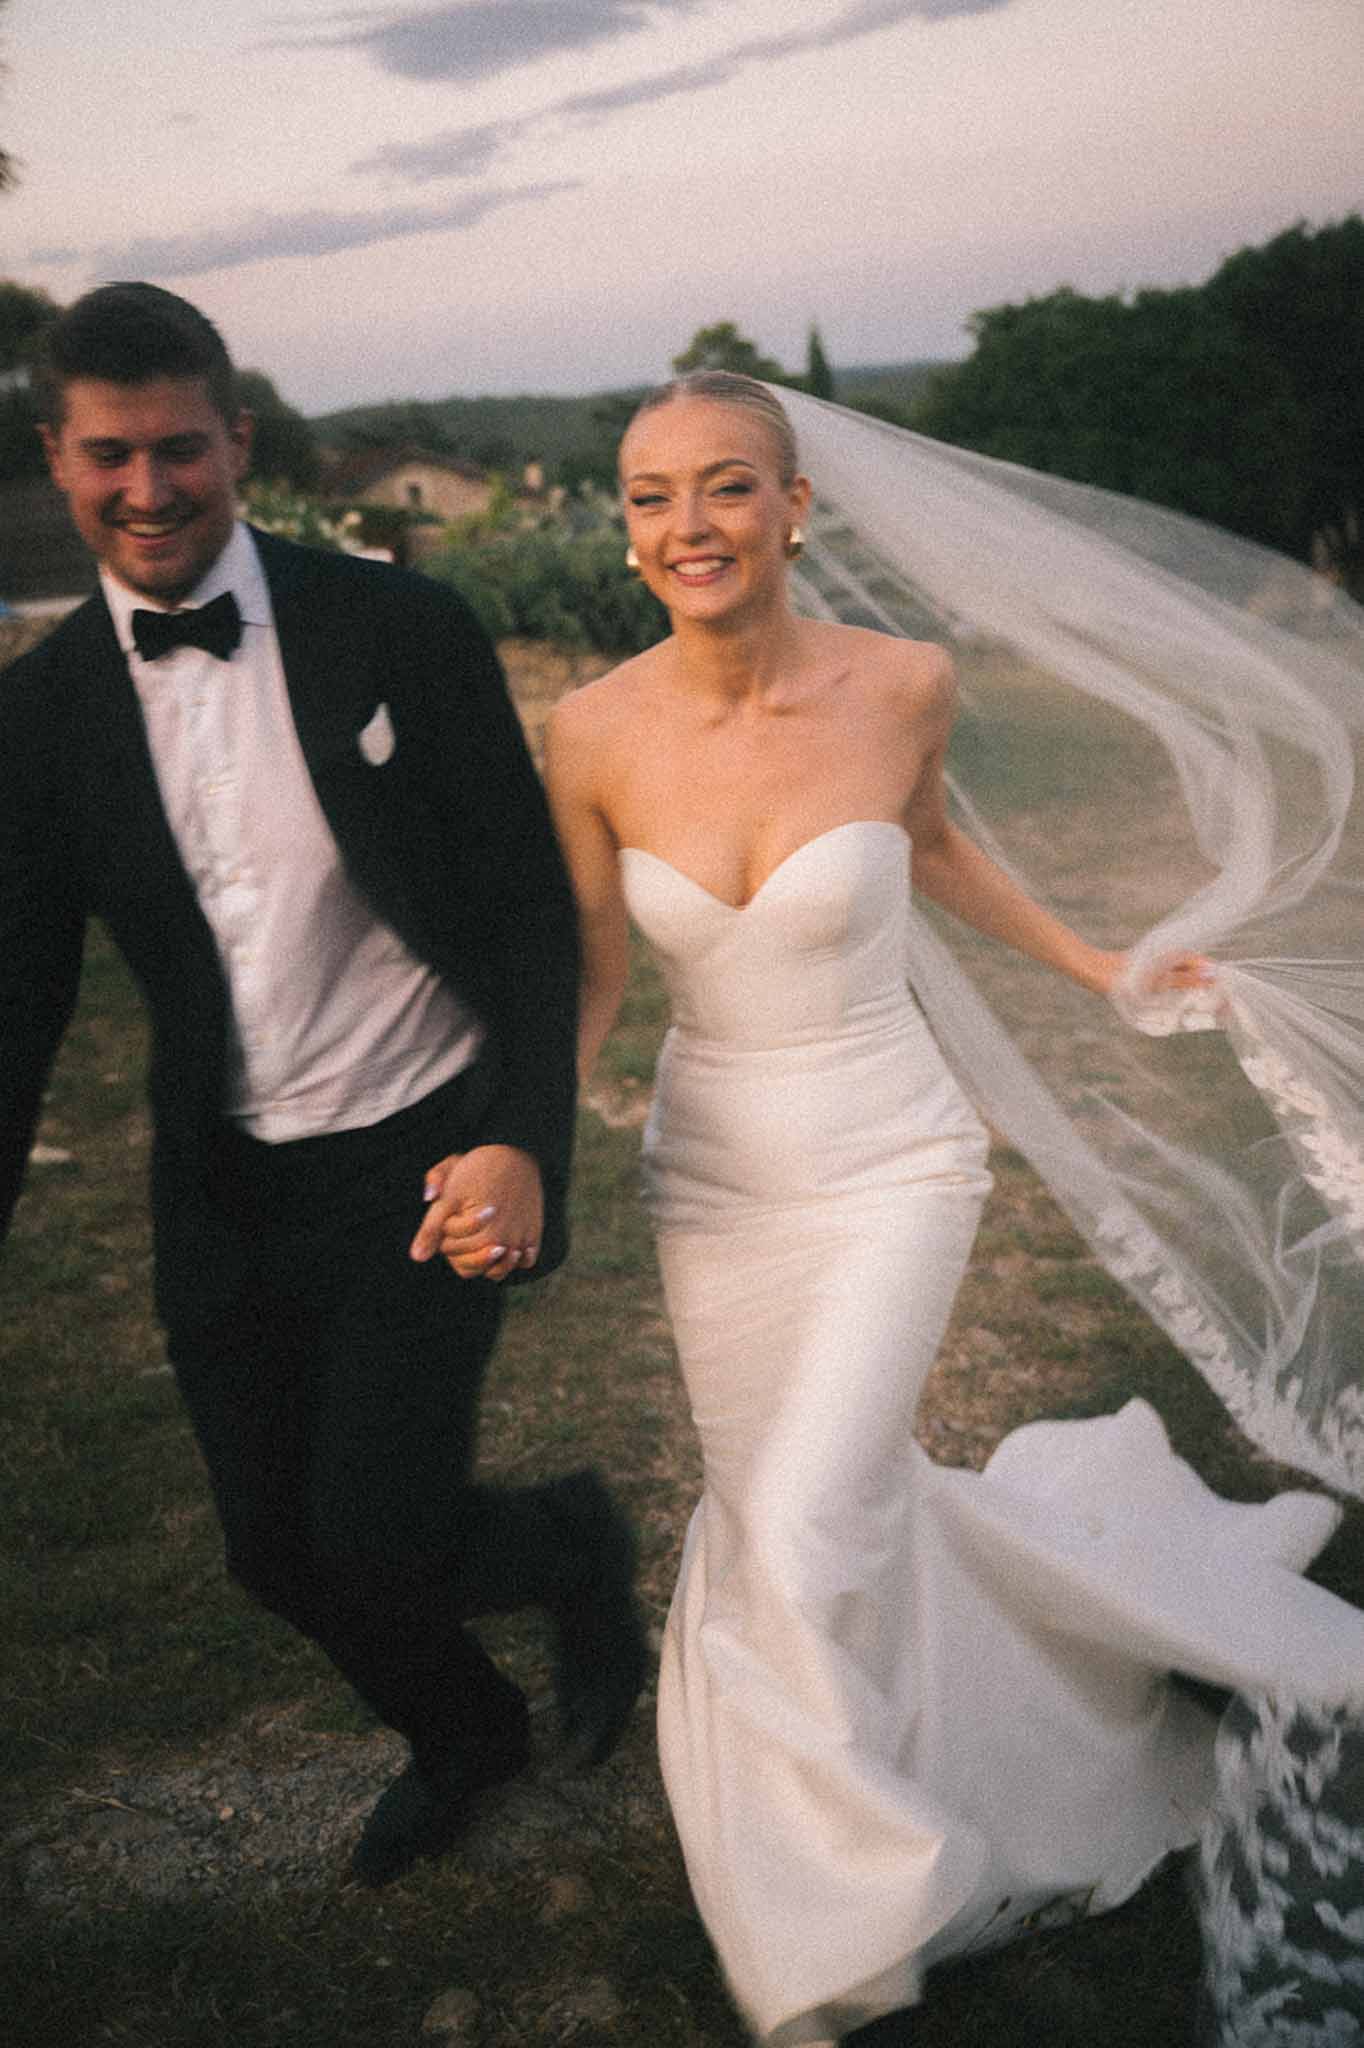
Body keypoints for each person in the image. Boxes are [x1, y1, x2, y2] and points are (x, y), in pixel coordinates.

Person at [534, 372, 1364, 2045]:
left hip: (893, 1160)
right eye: (649, 497)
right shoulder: (590, 728)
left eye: (723, 488)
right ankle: (961, 1732)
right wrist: (519, 1141)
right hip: (713, 1183)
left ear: (795, 508)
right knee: (807, 1511)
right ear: (626, 529)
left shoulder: (906, 682)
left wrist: (1094, 962)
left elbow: (928, 849)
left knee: (797, 1526)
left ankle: (851, 1910)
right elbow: (598, 973)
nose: (686, 526)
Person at [0, 283, 646, 1890]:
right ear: (54, 456)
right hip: (224, 1180)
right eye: (107, 457)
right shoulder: (38, 713)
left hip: (425, 1149)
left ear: (237, 439)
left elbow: (520, 910)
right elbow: (21, 990)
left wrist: (522, 1135)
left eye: (178, 450)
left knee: (374, 1531)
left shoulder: (397, 633)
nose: (147, 491)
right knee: (273, 1552)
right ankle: (494, 1683)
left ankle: (500, 1667)